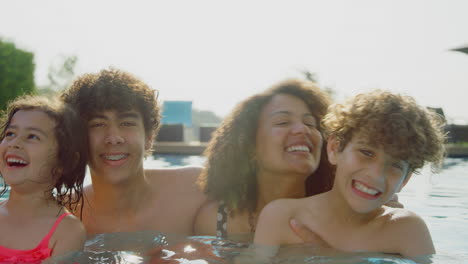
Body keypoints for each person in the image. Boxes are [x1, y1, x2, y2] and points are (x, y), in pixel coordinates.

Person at [253, 90, 446, 258]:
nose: (376, 175)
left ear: (406, 179)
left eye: (395, 165)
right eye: (367, 153)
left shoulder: (406, 230)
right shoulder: (282, 216)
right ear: (335, 149)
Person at [61, 68, 207, 236]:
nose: (113, 138)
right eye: (97, 124)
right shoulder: (57, 215)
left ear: (149, 137)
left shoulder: (197, 190)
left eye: (127, 123)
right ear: (76, 139)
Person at [194, 79, 334, 241]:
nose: (303, 129)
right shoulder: (217, 222)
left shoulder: (337, 221)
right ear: (249, 146)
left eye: (310, 123)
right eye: (283, 122)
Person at [0, 95, 87, 262]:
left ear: (64, 161)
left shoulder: (67, 231)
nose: (14, 143)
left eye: (32, 136)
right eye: (10, 133)